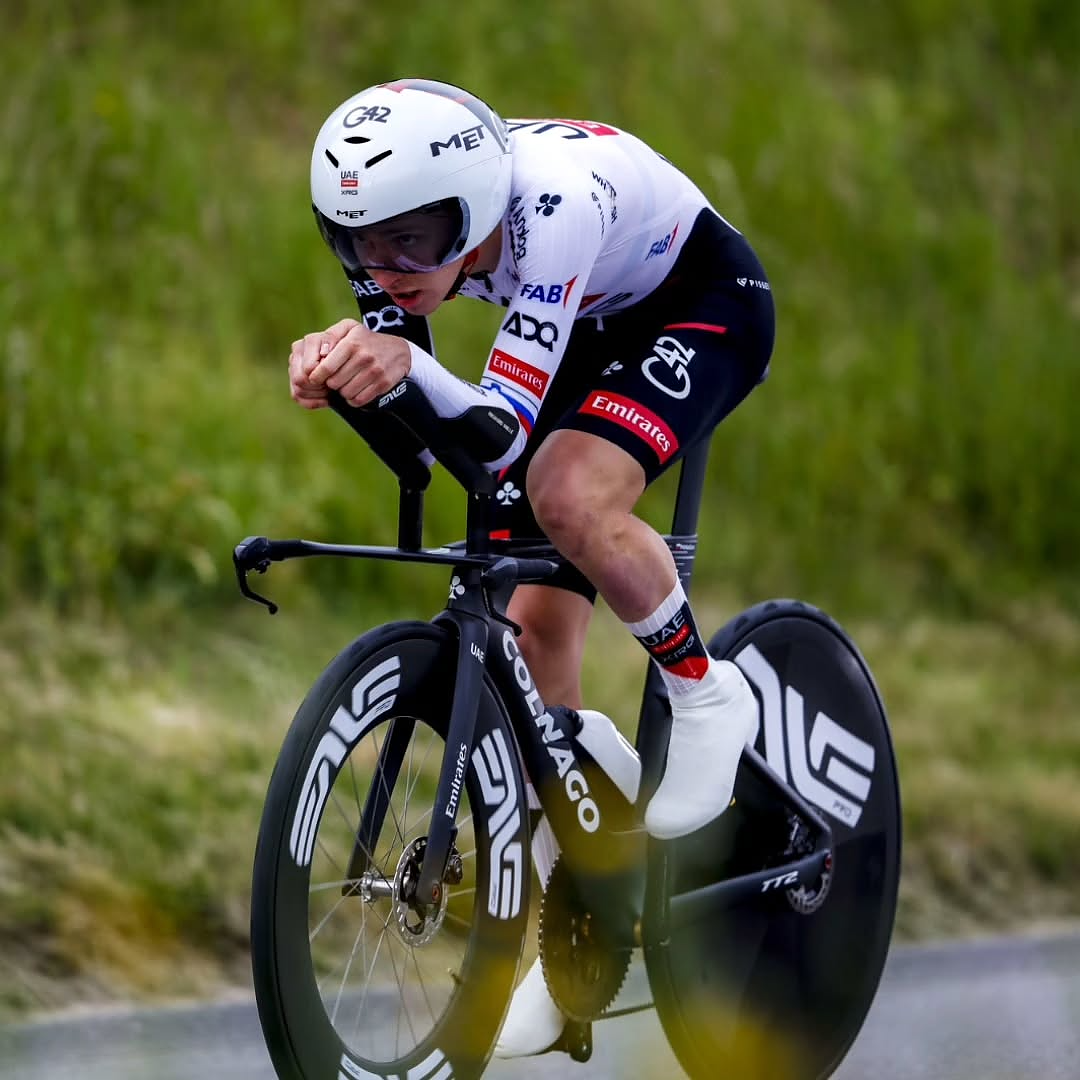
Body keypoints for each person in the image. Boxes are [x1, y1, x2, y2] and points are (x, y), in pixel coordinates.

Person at [288, 78, 775, 1057]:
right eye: (357, 244)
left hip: (700, 300)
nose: (384, 268)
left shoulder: (548, 206)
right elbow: (435, 447)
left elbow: (502, 434)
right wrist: (352, 379)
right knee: (536, 630)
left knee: (568, 494)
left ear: (469, 211)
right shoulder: (389, 234)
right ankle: (570, 930)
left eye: (412, 243)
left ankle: (705, 691)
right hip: (592, 322)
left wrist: (408, 370)